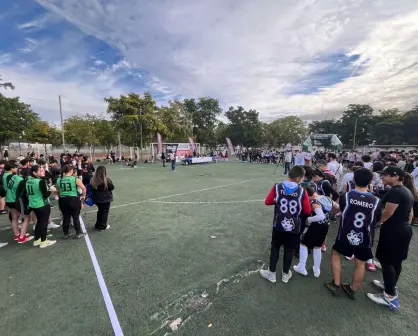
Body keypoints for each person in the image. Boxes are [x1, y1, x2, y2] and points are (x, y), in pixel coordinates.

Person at [325, 168, 380, 299]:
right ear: (370, 182)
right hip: (365, 237)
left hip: (345, 234)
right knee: (361, 262)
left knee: (336, 254)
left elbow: (342, 211)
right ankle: (352, 289)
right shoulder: (376, 200)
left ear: (354, 179)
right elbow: (377, 218)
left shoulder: (347, 196)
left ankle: (336, 284)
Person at [367, 167, 414, 310]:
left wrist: (377, 223)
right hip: (403, 229)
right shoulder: (406, 190)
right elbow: (410, 215)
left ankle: (390, 296)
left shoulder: (396, 191)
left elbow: (388, 212)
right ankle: (390, 285)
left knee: (387, 261)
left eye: (385, 175)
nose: (382, 177)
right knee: (396, 261)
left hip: (394, 231)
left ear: (395, 176)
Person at [260, 166, 311, 284]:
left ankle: (271, 273)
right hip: (294, 227)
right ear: (298, 178)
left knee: (275, 247)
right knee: (289, 250)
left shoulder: (277, 187)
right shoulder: (302, 191)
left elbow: (268, 201)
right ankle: (285, 274)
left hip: (278, 225)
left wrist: (276, 200)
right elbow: (307, 211)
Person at [294, 186, 338, 277]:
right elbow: (337, 206)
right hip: (325, 226)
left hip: (316, 226)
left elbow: (320, 216)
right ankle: (316, 269)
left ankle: (301, 267)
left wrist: (309, 219)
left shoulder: (314, 202)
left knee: (303, 244)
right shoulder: (327, 198)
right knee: (317, 247)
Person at [26, 165, 56, 248]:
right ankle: (43, 241)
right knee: (44, 223)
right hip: (42, 204)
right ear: (35, 172)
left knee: (39, 222)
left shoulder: (28, 180)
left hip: (33, 204)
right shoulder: (40, 181)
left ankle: (37, 239)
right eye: (40, 171)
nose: (43, 172)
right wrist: (51, 189)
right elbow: (45, 195)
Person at [4, 162, 33, 243]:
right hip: (15, 200)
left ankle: (17, 235)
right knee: (26, 217)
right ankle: (22, 237)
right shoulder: (22, 181)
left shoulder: (14, 176)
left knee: (14, 217)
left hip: (9, 199)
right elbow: (24, 192)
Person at [56, 165, 86, 239]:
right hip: (73, 199)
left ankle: (66, 234)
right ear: (70, 171)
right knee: (75, 217)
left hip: (63, 200)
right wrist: (83, 196)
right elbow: (83, 188)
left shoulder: (59, 179)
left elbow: (58, 191)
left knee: (66, 217)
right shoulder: (75, 179)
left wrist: (61, 197)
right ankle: (78, 233)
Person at [90, 166, 114, 231]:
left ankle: (98, 224)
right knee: (104, 212)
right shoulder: (107, 180)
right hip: (106, 199)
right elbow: (112, 187)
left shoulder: (93, 179)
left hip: (97, 199)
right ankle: (102, 226)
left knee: (100, 211)